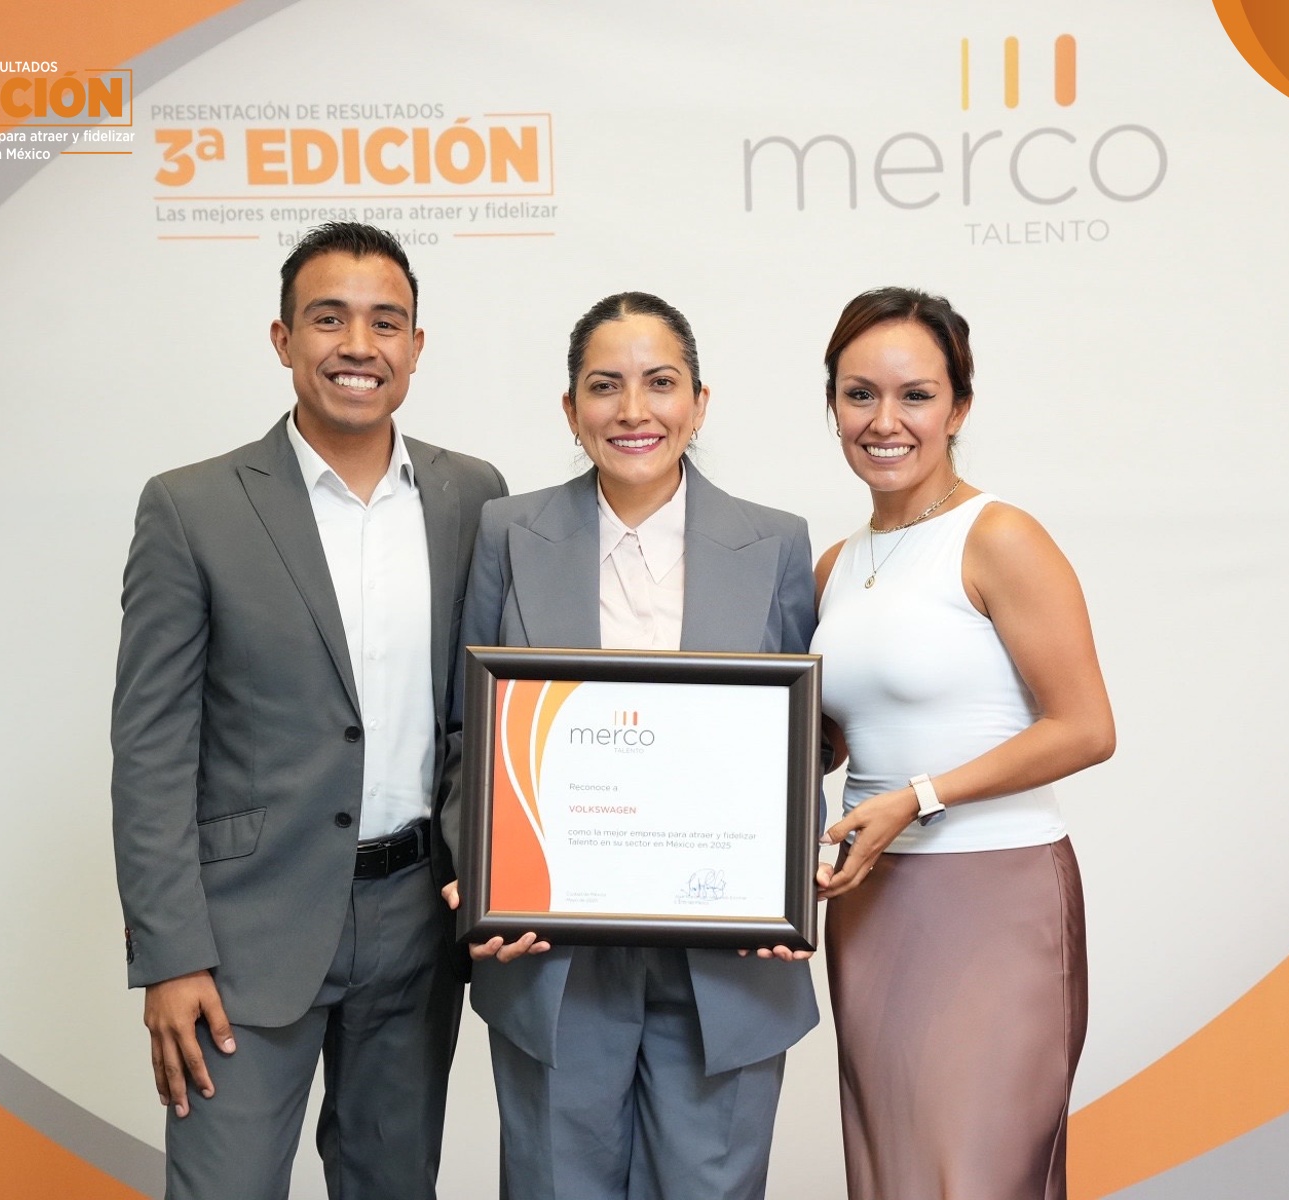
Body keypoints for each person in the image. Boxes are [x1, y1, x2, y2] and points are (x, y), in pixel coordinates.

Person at [110, 222, 506, 1200]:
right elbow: (152, 748)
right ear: (283, 338)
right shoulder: (192, 507)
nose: (358, 346)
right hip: (243, 934)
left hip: (416, 921)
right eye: (329, 319)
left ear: (417, 345)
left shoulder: (473, 497)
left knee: (392, 1184)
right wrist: (170, 957)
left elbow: (486, 714)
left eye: (386, 323)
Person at [446, 292, 819, 1200]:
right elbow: (470, 732)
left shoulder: (776, 543)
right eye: (604, 386)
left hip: (727, 961)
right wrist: (479, 867)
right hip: (553, 954)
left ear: (700, 401)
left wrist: (789, 881)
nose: (633, 410)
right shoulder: (507, 533)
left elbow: (796, 745)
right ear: (571, 409)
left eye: (660, 382)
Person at [810, 287, 1115, 1200]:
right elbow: (826, 738)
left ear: (959, 407)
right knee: (895, 1175)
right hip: (870, 903)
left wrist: (919, 796)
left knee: (977, 1177)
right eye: (860, 394)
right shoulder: (835, 565)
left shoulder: (1000, 538)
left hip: (995, 895)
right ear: (833, 406)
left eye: (916, 395)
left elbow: (1086, 727)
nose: (885, 421)